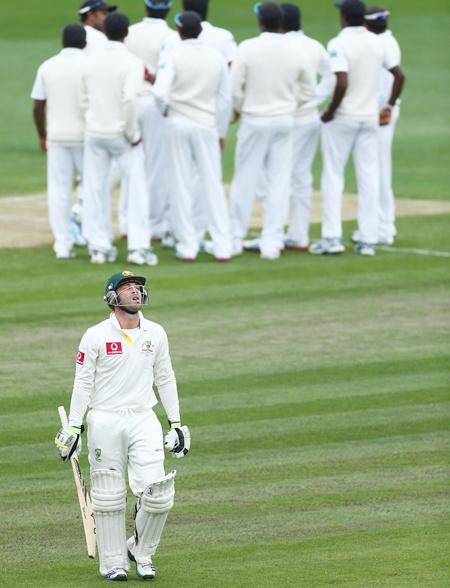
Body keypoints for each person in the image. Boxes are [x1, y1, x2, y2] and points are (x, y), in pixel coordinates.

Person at [54, 270, 191, 581]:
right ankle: (114, 562)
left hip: (144, 418)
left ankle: (141, 551)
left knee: (158, 493)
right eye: (128, 287)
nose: (135, 292)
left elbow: (166, 378)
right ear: (112, 297)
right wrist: (74, 428)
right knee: (108, 496)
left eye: (138, 287)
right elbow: (83, 383)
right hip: (105, 419)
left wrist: (177, 424)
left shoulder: (156, 333)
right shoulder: (95, 335)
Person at [309, 0, 404, 257]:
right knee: (369, 177)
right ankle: (368, 239)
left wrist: (329, 112)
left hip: (344, 118)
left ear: (343, 17)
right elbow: (399, 75)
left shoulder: (338, 43)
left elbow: (340, 81)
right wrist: (388, 106)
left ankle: (332, 237)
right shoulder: (377, 42)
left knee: (333, 176)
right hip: (369, 118)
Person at [244, 3, 334, 253]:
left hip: (283, 117)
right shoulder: (314, 45)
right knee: (300, 176)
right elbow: (332, 77)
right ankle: (298, 234)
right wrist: (315, 100)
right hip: (307, 118)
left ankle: (272, 235)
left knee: (272, 176)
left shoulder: (284, 47)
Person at [229, 2, 315, 260]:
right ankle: (272, 243)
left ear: (261, 22)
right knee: (279, 181)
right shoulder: (297, 50)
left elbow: (234, 88)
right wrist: (290, 106)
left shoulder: (247, 48)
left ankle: (234, 239)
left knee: (245, 178)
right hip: (284, 121)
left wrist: (243, 108)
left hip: (255, 120)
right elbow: (309, 91)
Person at [152, 11, 233, 261]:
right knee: (212, 182)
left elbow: (159, 92)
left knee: (180, 183)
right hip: (207, 125)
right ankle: (222, 245)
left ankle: (187, 245)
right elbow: (225, 99)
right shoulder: (216, 57)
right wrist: (219, 128)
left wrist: (168, 112)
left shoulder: (172, 55)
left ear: (179, 31)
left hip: (178, 122)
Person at [81, 12, 158, 265]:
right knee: (136, 189)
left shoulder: (91, 59)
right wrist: (130, 132)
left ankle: (98, 248)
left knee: (94, 188)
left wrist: (91, 121)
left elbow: (83, 97)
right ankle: (138, 249)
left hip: (95, 132)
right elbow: (130, 99)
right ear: (127, 33)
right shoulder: (131, 62)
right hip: (120, 135)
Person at [31, 24, 88, 260]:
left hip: (57, 136)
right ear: (84, 43)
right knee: (92, 188)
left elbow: (38, 106)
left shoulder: (47, 66)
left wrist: (42, 135)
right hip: (86, 138)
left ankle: (63, 245)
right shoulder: (91, 66)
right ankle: (95, 242)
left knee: (59, 190)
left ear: (63, 42)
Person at [125, 0, 177, 243]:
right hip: (156, 104)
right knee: (156, 166)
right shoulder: (172, 36)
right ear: (168, 9)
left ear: (146, 7)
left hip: (131, 102)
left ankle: (127, 222)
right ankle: (154, 225)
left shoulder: (130, 31)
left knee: (130, 164)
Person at [360, 5, 405, 245]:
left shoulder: (382, 45)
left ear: (367, 25)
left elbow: (397, 78)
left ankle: (383, 227)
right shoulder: (387, 41)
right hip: (380, 111)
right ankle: (382, 225)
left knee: (377, 169)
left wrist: (387, 107)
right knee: (376, 168)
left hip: (381, 113)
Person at [181, 0, 237, 64]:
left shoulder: (173, 38)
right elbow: (233, 64)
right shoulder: (225, 35)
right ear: (206, 9)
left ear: (183, 10)